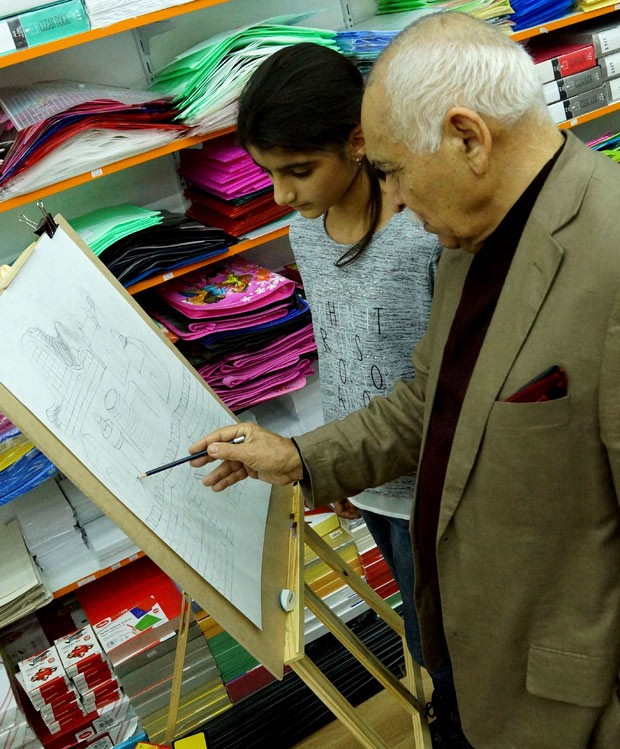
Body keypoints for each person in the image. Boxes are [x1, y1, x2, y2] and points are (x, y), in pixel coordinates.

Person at [190, 12, 620, 749]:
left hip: (570, 707)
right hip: (486, 662)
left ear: (467, 139)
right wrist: (299, 458)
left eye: (391, 170)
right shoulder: (469, 235)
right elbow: (432, 401)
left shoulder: (605, 257)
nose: (390, 199)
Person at [235, 42, 459, 743]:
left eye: (298, 171)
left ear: (357, 141)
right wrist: (329, 465)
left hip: (435, 490)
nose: (282, 195)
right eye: (269, 174)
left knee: (453, 650)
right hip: (366, 480)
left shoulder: (424, 234)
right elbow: (338, 347)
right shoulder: (306, 233)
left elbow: (444, 381)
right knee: (423, 641)